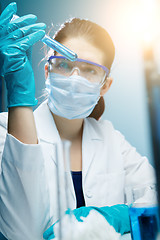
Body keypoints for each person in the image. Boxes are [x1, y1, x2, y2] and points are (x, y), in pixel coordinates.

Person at [0, 2, 156, 240]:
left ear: (105, 86)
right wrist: (18, 93)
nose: (75, 78)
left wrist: (116, 215)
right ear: (47, 71)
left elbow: (153, 196)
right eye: (64, 65)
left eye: (89, 70)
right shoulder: (5, 130)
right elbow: (22, 233)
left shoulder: (110, 139)